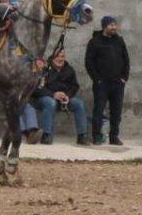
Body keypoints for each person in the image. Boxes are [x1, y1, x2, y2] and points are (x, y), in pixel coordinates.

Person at [85, 15, 129, 145]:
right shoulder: (95, 41)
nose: (114, 27)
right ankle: (97, 135)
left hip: (118, 83)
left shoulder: (119, 41)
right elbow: (89, 62)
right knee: (99, 110)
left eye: (115, 25)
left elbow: (126, 60)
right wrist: (97, 79)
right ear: (104, 26)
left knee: (116, 111)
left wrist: (124, 77)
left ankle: (114, 136)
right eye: (111, 25)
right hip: (102, 84)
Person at [33, 48, 89, 145]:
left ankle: (82, 136)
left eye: (62, 56)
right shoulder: (45, 69)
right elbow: (38, 88)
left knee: (79, 104)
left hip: (64, 99)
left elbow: (75, 86)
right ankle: (46, 135)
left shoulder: (69, 69)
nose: (60, 59)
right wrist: (53, 95)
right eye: (57, 56)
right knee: (50, 102)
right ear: (52, 58)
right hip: (45, 98)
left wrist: (67, 96)